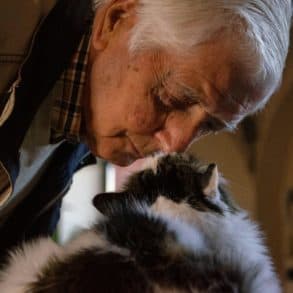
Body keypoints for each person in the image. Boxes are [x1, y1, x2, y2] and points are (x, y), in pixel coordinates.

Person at [0, 0, 291, 255]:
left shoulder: (74, 127)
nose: (175, 145)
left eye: (210, 126)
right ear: (115, 21)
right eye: (173, 97)